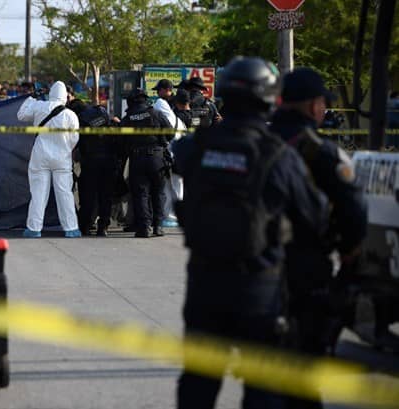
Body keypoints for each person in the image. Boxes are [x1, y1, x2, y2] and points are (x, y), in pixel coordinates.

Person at [172, 57, 329, 409]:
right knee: (263, 389)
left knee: (197, 383)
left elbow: (179, 166)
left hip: (204, 283)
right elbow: (314, 215)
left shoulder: (194, 146)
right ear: (269, 99)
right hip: (259, 288)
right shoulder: (278, 154)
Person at [269, 67, 368, 409]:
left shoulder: (257, 141)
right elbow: (354, 211)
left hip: (250, 272)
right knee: (304, 372)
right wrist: (350, 255)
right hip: (303, 270)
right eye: (324, 103)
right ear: (313, 106)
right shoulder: (320, 151)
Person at [17, 81, 81, 238]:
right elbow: (74, 139)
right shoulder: (70, 114)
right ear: (65, 96)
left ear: (50, 94)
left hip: (40, 156)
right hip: (62, 159)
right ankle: (71, 228)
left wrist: (31, 98)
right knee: (65, 193)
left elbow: (21, 115)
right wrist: (65, 148)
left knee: (38, 194)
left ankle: (33, 229)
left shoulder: (39, 106)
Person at [120, 88, 173, 238]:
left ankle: (144, 228)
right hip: (157, 158)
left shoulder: (128, 117)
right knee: (159, 193)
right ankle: (158, 226)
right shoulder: (156, 113)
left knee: (141, 194)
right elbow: (170, 133)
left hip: (137, 159)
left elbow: (120, 139)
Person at [70, 99, 122, 236]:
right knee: (106, 196)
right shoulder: (103, 114)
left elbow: (76, 144)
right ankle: (103, 227)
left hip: (90, 162)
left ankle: (85, 226)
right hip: (110, 161)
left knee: (88, 196)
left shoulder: (80, 120)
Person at [152, 79, 187, 229]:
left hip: (172, 152)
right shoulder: (173, 108)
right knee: (172, 185)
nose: (157, 93)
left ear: (166, 90)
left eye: (159, 90)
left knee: (173, 186)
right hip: (176, 152)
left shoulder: (161, 104)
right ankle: (172, 216)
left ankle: (173, 216)